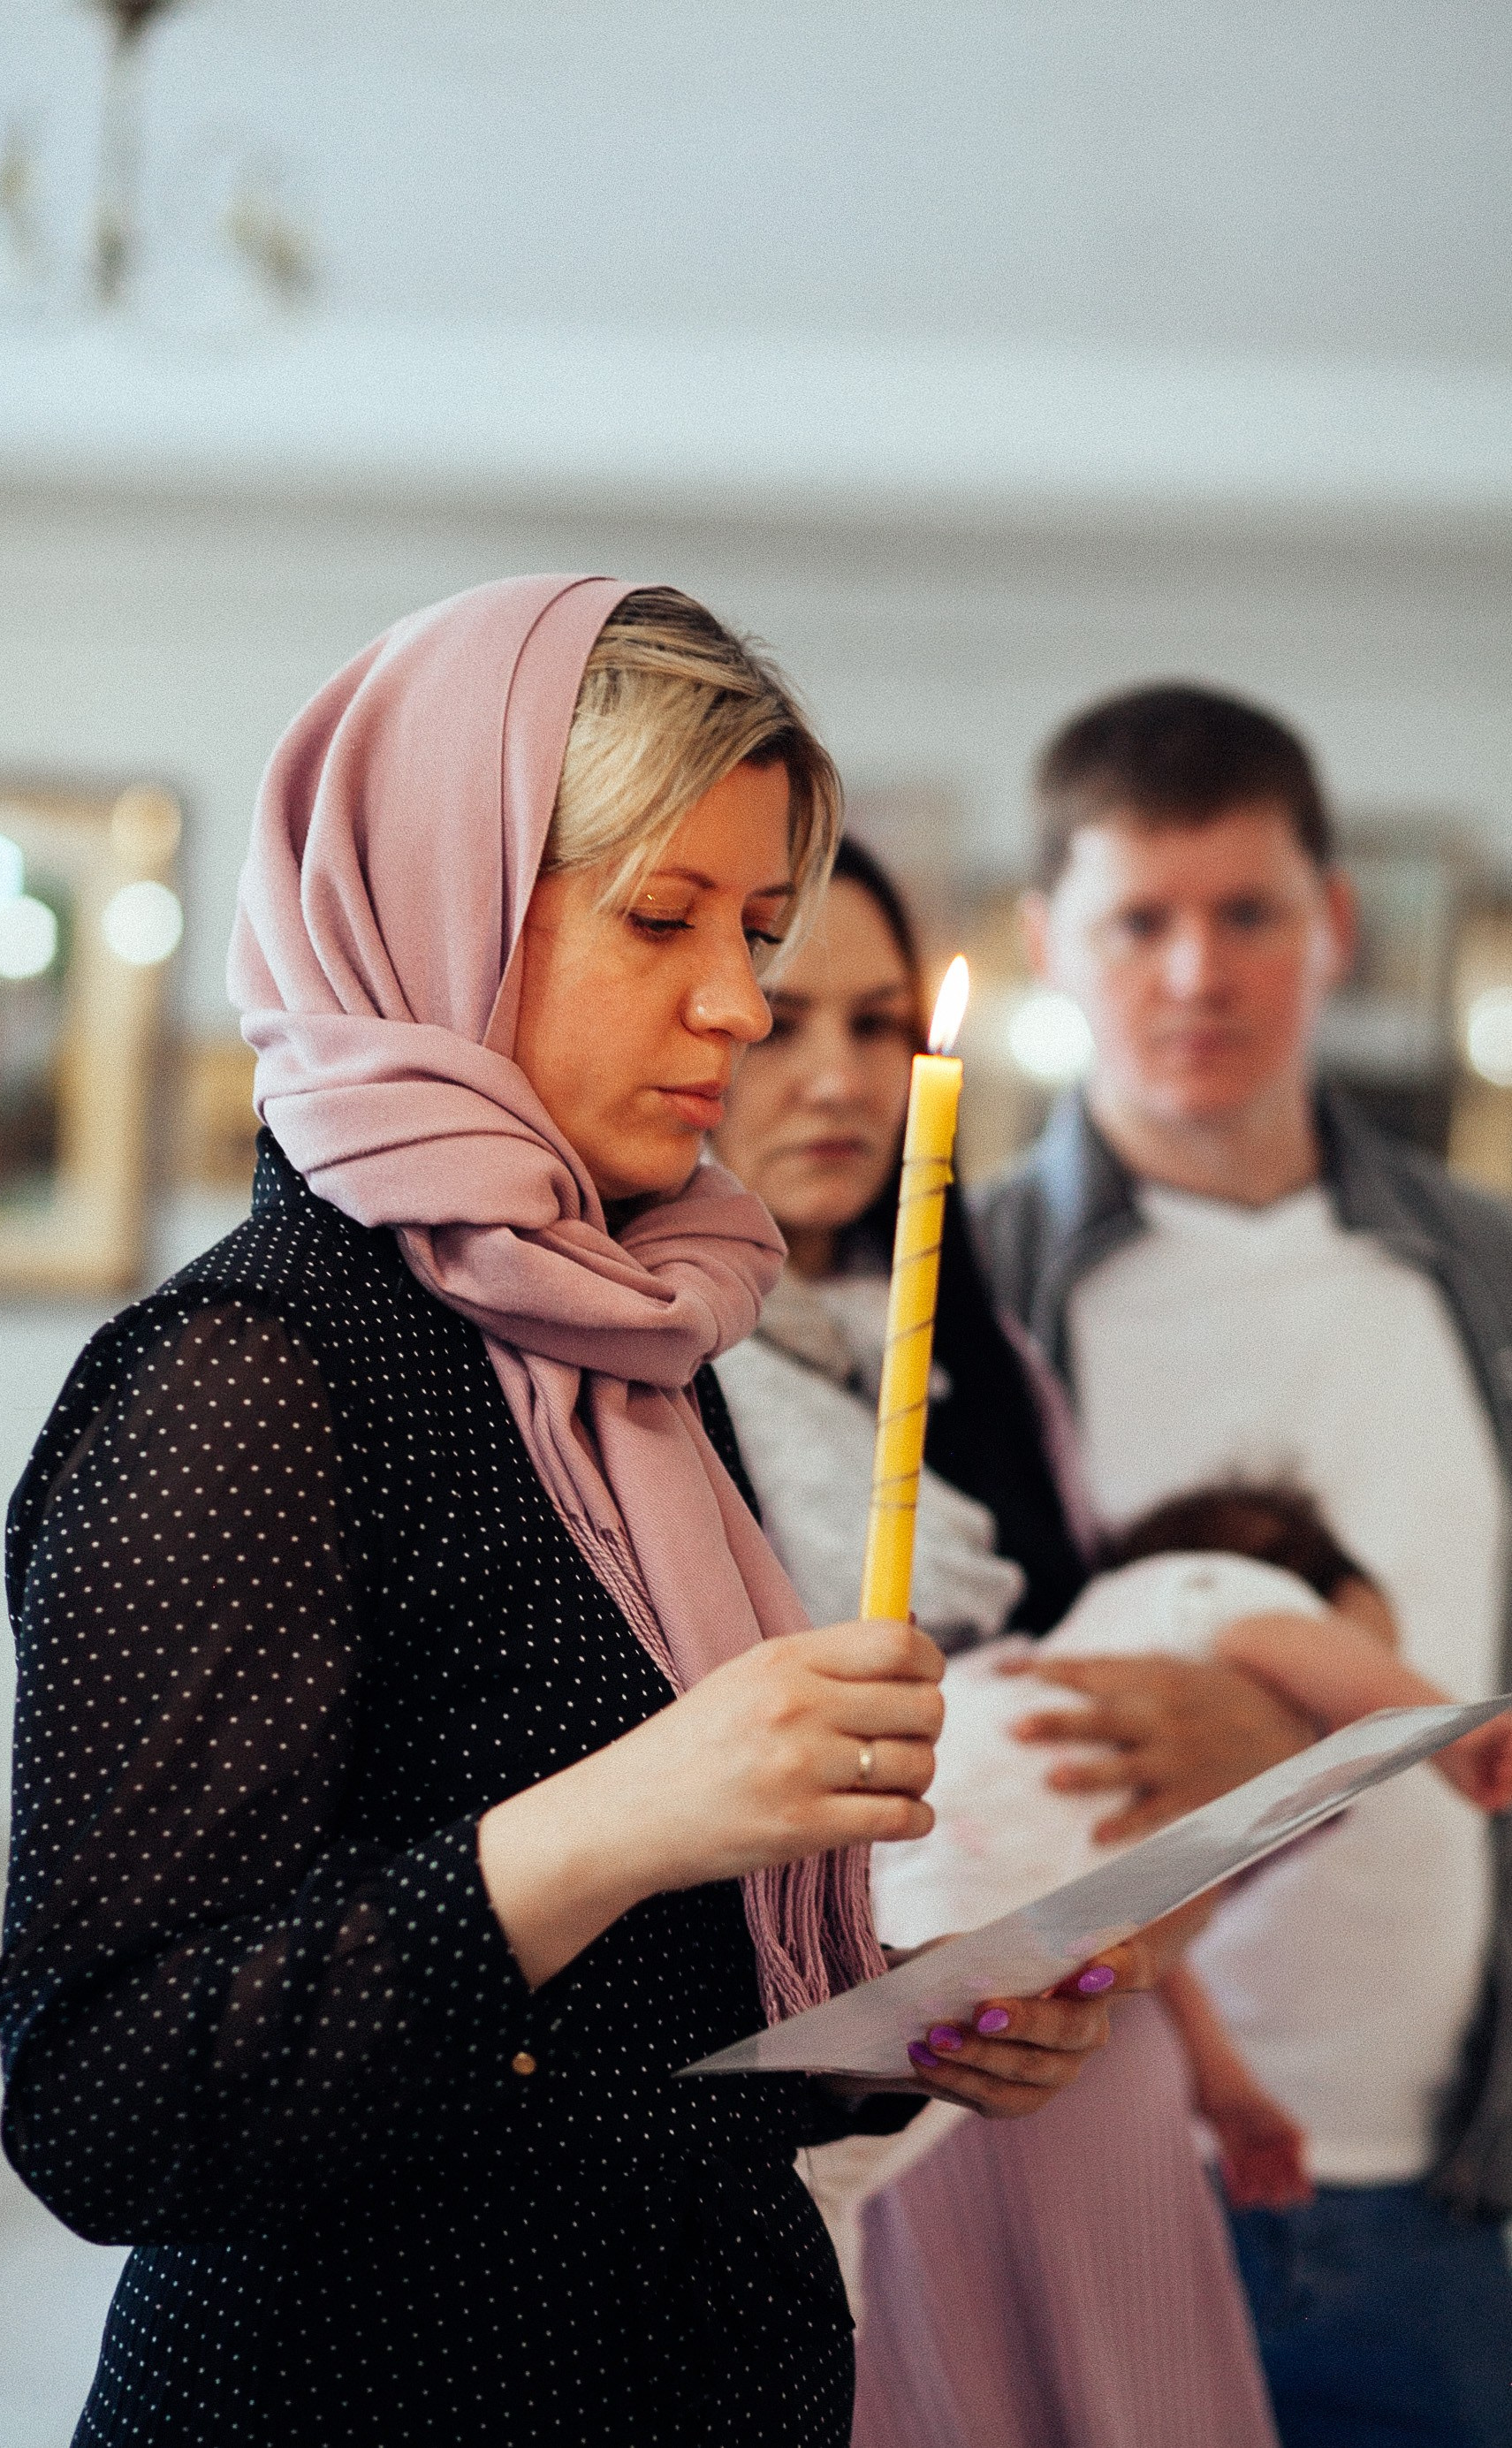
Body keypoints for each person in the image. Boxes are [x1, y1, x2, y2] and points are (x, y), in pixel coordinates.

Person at [0, 581, 1128, 2448]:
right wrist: (625, 1811)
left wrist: (892, 2027)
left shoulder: (629, 1343)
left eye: (756, 927)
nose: (740, 1002)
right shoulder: (244, 1372)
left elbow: (607, 2045)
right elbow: (112, 2106)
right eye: (660, 916)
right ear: (430, 906)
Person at [979, 680, 1512, 2447]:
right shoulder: (962, 1293)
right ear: (1046, 940)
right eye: (1137, 920)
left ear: (1332, 922)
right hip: (1089, 2158)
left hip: (1446, 2180)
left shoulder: (1481, 1272)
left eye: (1245, 913)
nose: (1195, 973)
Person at [711, 838, 1280, 2448]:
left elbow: (1091, 1689)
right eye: (782, 1020)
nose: (840, 1079)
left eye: (881, 1026)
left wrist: (1247, 1727)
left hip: (1085, 2069)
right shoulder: (625, 1379)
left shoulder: (993, 1363)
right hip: (859, 2119)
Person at [875, 1479, 1512, 2209]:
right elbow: (1298, 1646)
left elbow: (1144, 1956)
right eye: (1362, 1649)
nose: (1346, 1706)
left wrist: (1222, 2083)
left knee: (870, 2127)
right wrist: (1451, 1733)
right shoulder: (1191, 1592)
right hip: (967, 1839)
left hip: (947, 1876)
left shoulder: (1187, 1810)